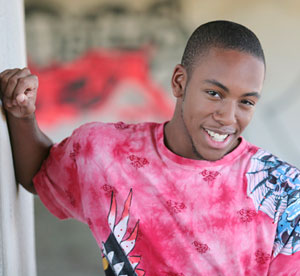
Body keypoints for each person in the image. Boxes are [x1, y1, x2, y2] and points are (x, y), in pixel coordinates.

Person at [0, 20, 299, 276]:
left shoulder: (284, 193)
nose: (228, 117)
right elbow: (39, 174)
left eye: (246, 101)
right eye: (214, 93)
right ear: (179, 82)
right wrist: (21, 114)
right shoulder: (105, 154)